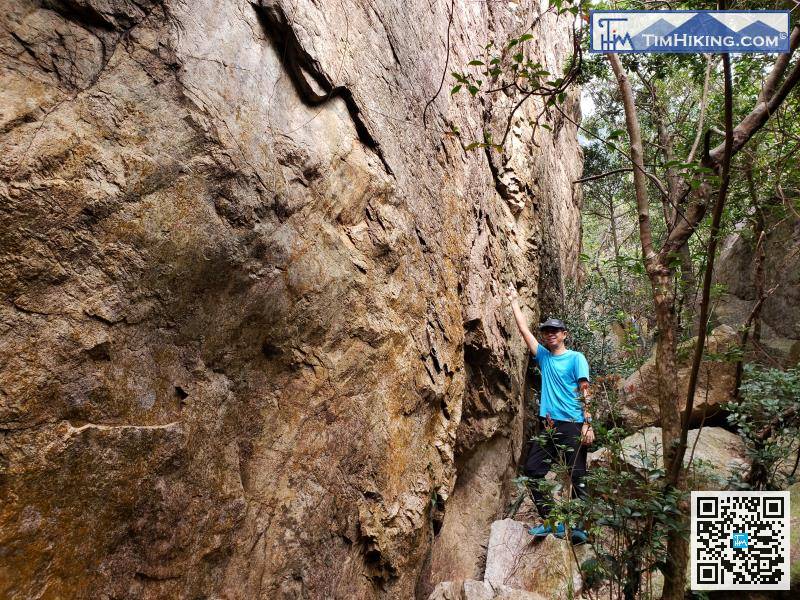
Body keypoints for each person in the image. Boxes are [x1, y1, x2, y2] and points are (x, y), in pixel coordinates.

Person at [505, 285, 593, 544]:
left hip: (573, 425)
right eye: (546, 331)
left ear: (564, 334)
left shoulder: (577, 358)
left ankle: (579, 527)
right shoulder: (543, 357)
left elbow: (584, 390)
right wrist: (513, 302)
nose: (550, 334)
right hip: (549, 427)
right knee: (533, 471)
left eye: (555, 330)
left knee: (577, 476)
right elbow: (524, 332)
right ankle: (551, 522)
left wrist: (588, 423)